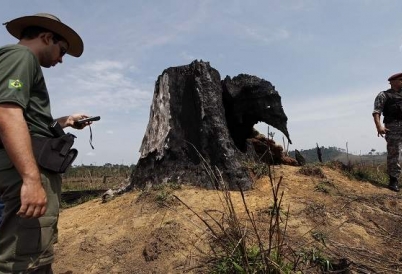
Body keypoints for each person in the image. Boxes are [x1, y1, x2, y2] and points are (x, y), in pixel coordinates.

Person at [0, 13, 92, 273]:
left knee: (31, 250)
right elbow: (7, 112)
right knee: (23, 257)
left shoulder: (19, 62)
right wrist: (31, 179)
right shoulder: (21, 57)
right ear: (46, 37)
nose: (61, 59)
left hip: (19, 166)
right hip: (23, 170)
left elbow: (28, 120)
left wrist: (64, 121)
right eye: (62, 50)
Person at [373, 72, 402, 192]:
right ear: (393, 81)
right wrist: (379, 126)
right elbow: (376, 112)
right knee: (394, 153)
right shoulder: (384, 95)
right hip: (393, 127)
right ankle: (393, 180)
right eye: (401, 80)